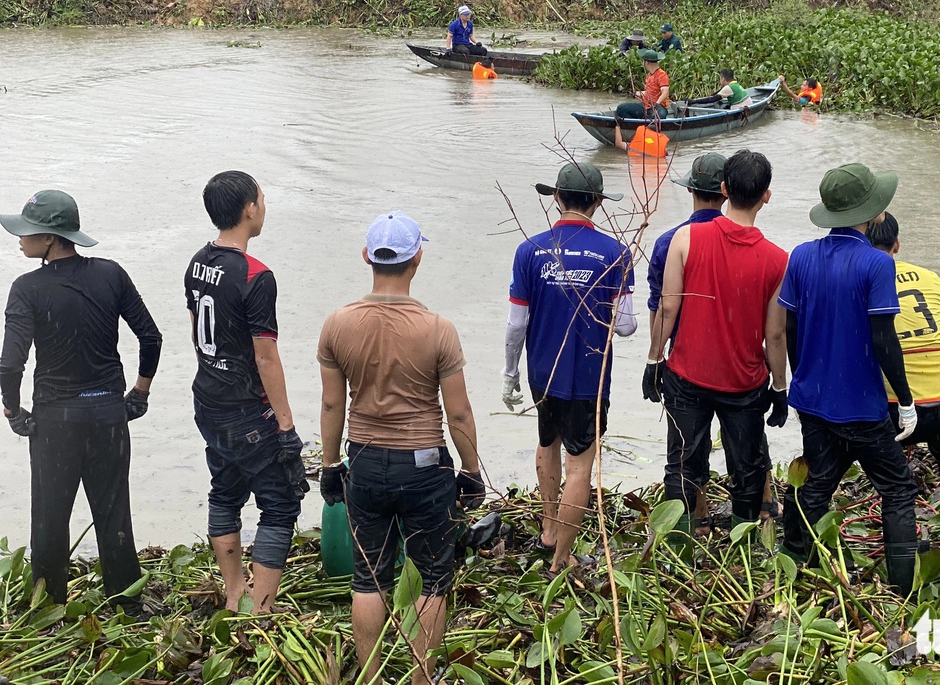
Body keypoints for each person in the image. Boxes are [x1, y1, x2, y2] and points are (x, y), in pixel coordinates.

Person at [317, 211, 484, 685]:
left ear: (368, 256)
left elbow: (333, 404)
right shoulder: (437, 329)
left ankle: (369, 676)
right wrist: (471, 473)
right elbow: (459, 414)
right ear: (418, 260)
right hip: (425, 465)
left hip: (364, 461)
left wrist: (331, 465)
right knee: (432, 579)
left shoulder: (337, 324)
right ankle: (420, 677)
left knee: (369, 578)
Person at [0, 190, 162, 608]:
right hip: (108, 413)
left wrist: (14, 410)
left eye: (27, 232)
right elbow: (150, 336)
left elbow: (9, 364)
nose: (19, 238)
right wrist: (139, 393)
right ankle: (127, 605)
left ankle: (48, 606)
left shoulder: (27, 288)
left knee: (50, 518)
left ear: (51, 238)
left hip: (55, 421)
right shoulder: (110, 274)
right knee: (113, 514)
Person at [778, 163, 919, 592]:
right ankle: (901, 588)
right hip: (862, 406)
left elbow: (792, 328)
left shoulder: (801, 256)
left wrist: (804, 375)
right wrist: (907, 400)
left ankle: (799, 569)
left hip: (813, 401)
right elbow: (883, 338)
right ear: (871, 211)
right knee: (897, 488)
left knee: (816, 484)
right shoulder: (877, 264)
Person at [646, 151, 788, 552]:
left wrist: (654, 360)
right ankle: (743, 548)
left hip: (687, 375)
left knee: (683, 463)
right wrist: (780, 388)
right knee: (746, 467)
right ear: (766, 197)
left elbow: (668, 306)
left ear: (724, 190)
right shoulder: (779, 260)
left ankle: (680, 547)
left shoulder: (684, 239)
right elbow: (774, 335)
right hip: (743, 383)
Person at [501, 162, 636, 572]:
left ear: (556, 198)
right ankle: (562, 558)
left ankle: (548, 529)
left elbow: (516, 324)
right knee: (581, 462)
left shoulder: (530, 251)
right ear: (598, 202)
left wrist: (510, 375)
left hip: (542, 372)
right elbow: (626, 326)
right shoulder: (616, 253)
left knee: (548, 443)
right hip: (587, 378)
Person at [185, 171, 308, 614]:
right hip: (246, 409)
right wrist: (286, 425)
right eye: (262, 197)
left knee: (225, 489)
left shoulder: (198, 261)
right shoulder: (256, 275)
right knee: (279, 503)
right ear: (248, 210)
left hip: (208, 398)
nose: (263, 205)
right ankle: (262, 605)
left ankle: (234, 592)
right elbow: (265, 358)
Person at [866, 213, 940, 545]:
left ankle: (900, 545)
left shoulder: (858, 280)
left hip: (894, 407)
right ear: (897, 245)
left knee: (892, 481)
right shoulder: (932, 279)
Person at [613, 49, 670, 149]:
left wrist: (657, 103)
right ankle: (637, 128)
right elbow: (648, 93)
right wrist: (637, 94)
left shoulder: (661, 75)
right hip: (646, 106)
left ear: (647, 62)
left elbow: (665, 92)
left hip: (658, 106)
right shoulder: (648, 76)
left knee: (657, 116)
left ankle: (647, 132)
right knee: (622, 108)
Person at [686, 69, 752, 109]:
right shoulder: (735, 84)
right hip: (749, 104)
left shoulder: (728, 88)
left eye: (720, 78)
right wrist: (712, 94)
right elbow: (721, 90)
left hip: (740, 107)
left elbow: (713, 99)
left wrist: (694, 101)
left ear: (723, 79)